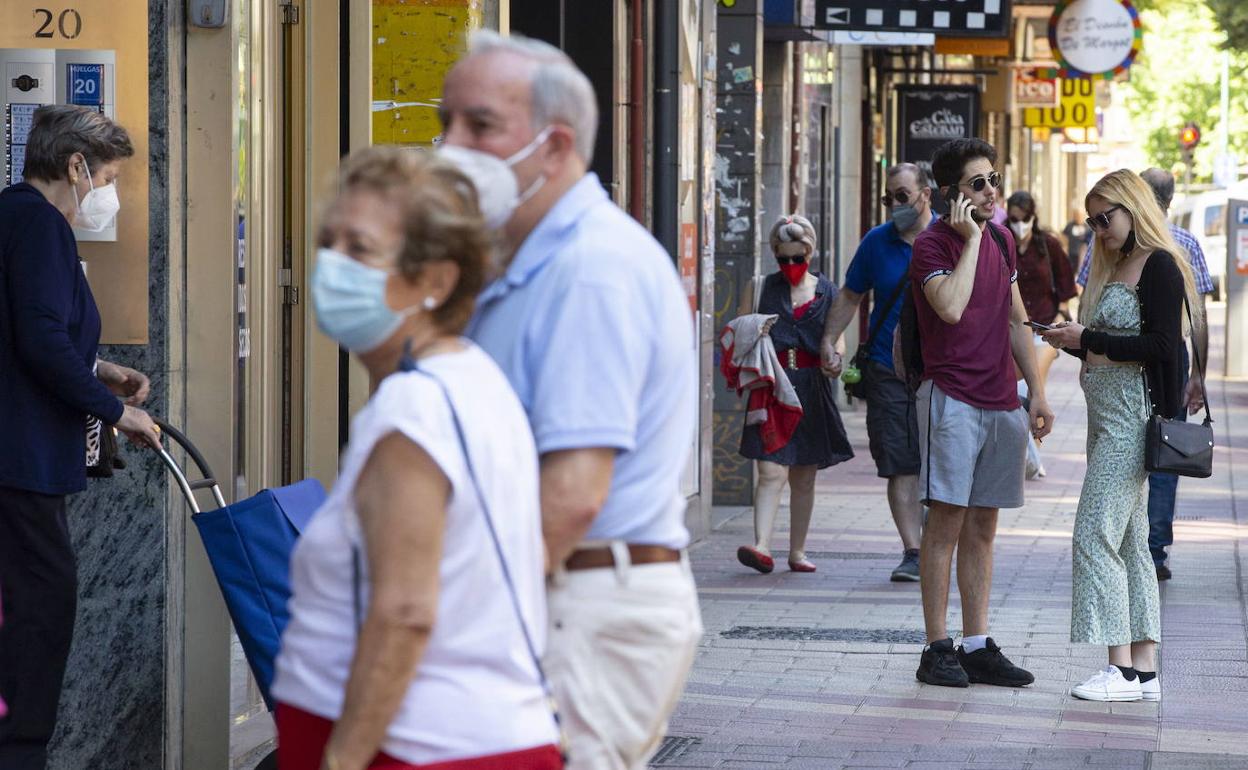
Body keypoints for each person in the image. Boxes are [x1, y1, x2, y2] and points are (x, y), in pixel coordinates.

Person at [440, 31, 702, 770]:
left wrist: (455, 624)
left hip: (576, 603)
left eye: (480, 125)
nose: (451, 145)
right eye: (446, 121)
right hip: (552, 596)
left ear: (554, 147)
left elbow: (572, 494)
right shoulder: (522, 260)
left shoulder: (590, 271)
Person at [271, 147, 562, 770]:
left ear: (435, 280)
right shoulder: (472, 380)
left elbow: (404, 609)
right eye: (329, 242)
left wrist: (344, 759)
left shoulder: (414, 410)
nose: (330, 265)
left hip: (412, 747)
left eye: (360, 249)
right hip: (471, 732)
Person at [0, 105, 161, 769]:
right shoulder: (39, 226)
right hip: (20, 456)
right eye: (109, 176)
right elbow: (38, 339)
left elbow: (28, 333)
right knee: (42, 605)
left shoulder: (13, 215)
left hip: (19, 451)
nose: (107, 193)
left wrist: (100, 367)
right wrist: (115, 411)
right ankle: (19, 751)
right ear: (75, 165)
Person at [1042, 169, 1200, 702]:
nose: (1097, 228)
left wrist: (1088, 336)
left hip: (1131, 420)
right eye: (1091, 220)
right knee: (1132, 543)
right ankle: (1145, 667)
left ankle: (1120, 669)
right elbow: (1111, 346)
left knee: (1093, 535)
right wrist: (1071, 341)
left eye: (1104, 217)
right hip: (1105, 419)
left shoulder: (1157, 266)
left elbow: (1161, 345)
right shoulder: (1117, 266)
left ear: (1133, 207)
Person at [909, 138, 1054, 689]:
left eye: (994, 179)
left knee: (984, 527)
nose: (992, 190)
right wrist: (968, 240)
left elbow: (1017, 321)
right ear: (952, 195)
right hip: (951, 397)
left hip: (1000, 399)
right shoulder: (932, 245)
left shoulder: (1002, 240)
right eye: (978, 184)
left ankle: (975, 644)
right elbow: (948, 307)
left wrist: (1036, 393)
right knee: (944, 522)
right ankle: (936, 647)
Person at [820, 163, 935, 582]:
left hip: (940, 371)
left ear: (926, 194)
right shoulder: (877, 242)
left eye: (902, 196)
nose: (894, 205)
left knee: (938, 462)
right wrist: (828, 340)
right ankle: (914, 550)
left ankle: (937, 542)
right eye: (889, 198)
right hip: (887, 368)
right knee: (899, 462)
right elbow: (851, 294)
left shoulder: (951, 239)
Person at [732, 215, 853, 574]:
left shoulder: (828, 292)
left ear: (810, 253)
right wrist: (754, 329)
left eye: (796, 259)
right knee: (770, 471)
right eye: (782, 259)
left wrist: (835, 359)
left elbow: (838, 338)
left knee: (804, 475)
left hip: (811, 387)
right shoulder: (759, 287)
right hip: (772, 387)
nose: (789, 266)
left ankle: (797, 551)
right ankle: (761, 545)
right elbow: (737, 334)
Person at [1006, 191, 1077, 480]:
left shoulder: (1048, 245)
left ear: (1034, 217)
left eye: (1025, 219)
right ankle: (1030, 451)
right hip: (1012, 329)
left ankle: (1033, 452)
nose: (1019, 225)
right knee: (1020, 389)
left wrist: (1061, 318)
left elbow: (1066, 287)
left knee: (1033, 379)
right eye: (1014, 219)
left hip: (1046, 329)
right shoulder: (1002, 242)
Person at [1062, 206, 1092, 274]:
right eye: (1076, 215)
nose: (1078, 217)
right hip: (1071, 253)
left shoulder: (1087, 227)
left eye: (1080, 215)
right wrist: (1064, 247)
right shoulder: (1070, 225)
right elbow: (1064, 237)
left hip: (1082, 255)